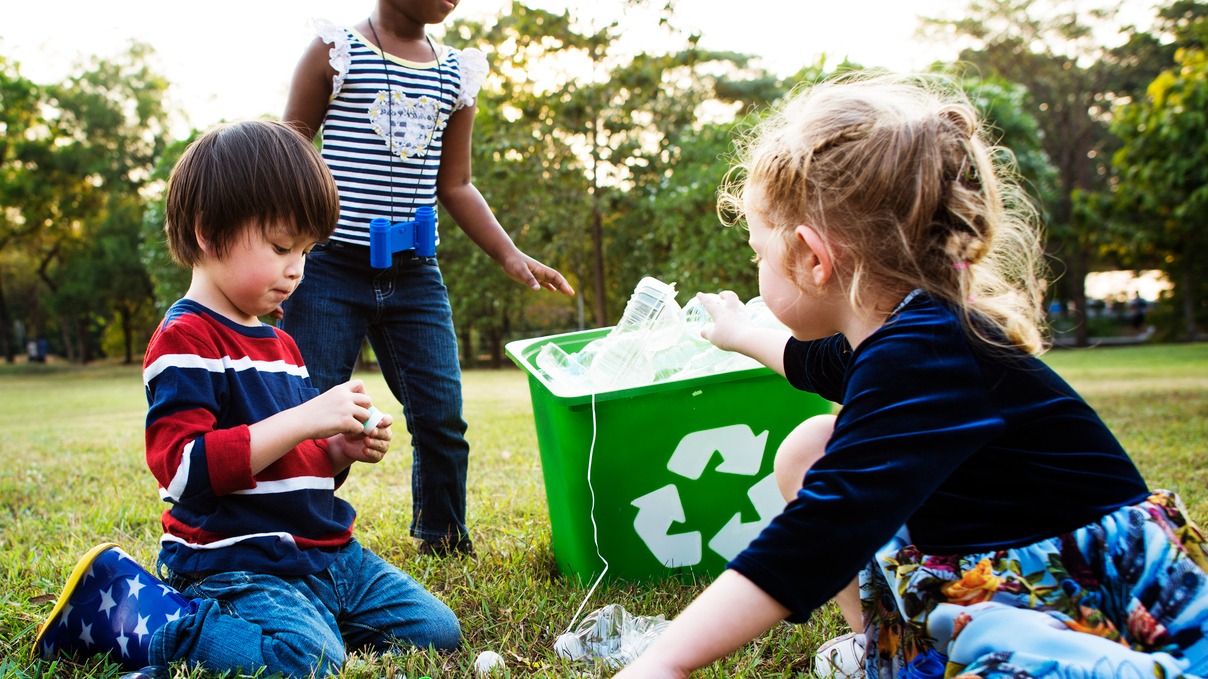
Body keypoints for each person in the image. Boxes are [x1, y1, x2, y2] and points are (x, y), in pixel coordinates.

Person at [616, 73, 1208, 679]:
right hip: (995, 562)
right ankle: (873, 645)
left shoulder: (924, 349)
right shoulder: (905, 332)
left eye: (758, 255)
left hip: (1081, 592)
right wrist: (741, 334)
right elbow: (819, 364)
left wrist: (665, 660)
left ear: (814, 259)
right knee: (811, 447)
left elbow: (824, 528)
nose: (756, 267)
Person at [33, 119, 460, 677]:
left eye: (307, 251)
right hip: (238, 562)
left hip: (325, 555)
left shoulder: (281, 343)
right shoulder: (186, 339)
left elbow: (287, 462)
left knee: (436, 632)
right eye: (283, 246)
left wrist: (335, 451)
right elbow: (183, 473)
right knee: (304, 663)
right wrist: (307, 417)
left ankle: (302, 620)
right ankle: (157, 622)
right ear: (210, 231)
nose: (297, 269)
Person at [279, 0, 575, 557]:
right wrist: (279, 259)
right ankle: (303, 535)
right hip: (331, 268)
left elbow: (457, 183)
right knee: (311, 412)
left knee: (441, 415)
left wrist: (509, 254)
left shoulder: (458, 71)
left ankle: (443, 538)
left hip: (416, 274)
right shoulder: (335, 51)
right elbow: (285, 158)